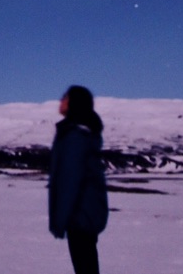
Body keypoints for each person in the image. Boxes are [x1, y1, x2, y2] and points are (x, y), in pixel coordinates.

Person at [48, 84, 108, 274]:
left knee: (85, 268)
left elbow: (69, 180)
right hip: (85, 213)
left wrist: (60, 220)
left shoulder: (75, 136)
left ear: (74, 103)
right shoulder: (81, 133)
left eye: (64, 97)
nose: (60, 100)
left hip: (81, 214)